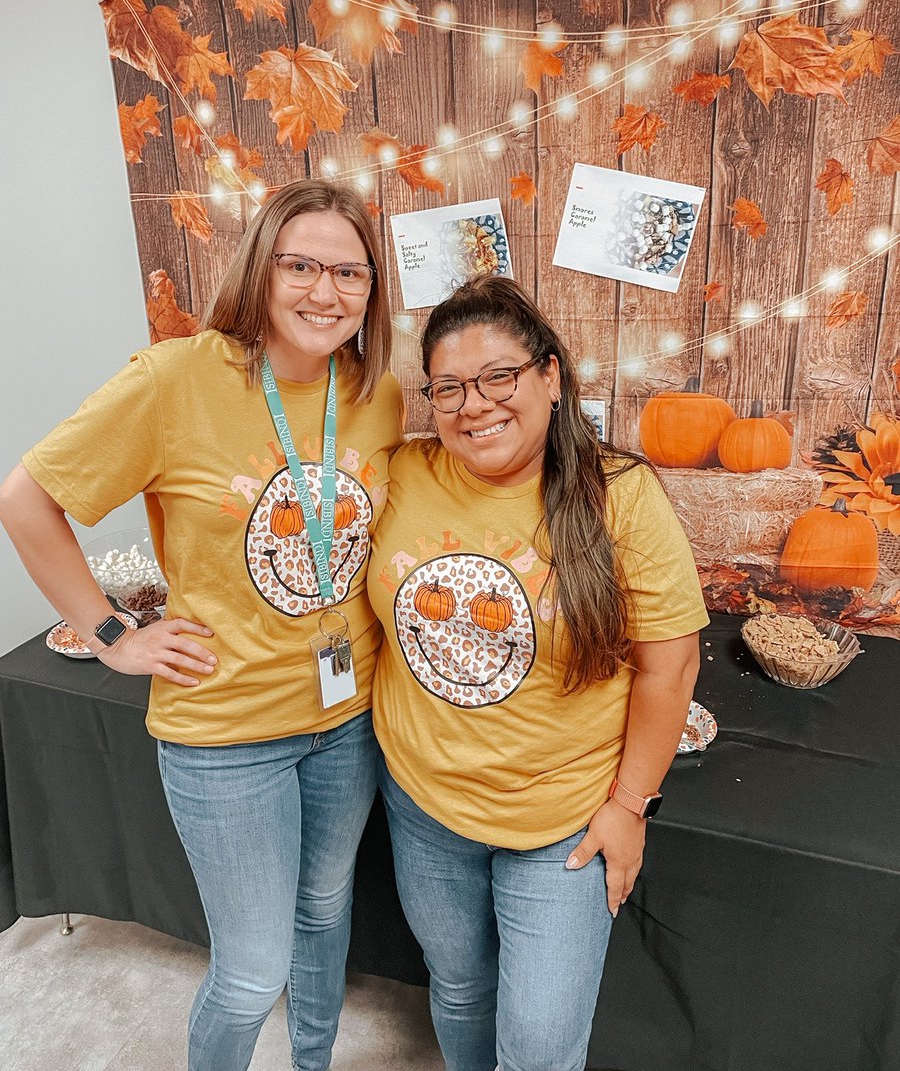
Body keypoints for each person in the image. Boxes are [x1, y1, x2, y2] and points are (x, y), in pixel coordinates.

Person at [0, 179, 404, 1071]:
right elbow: (26, 500)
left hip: (348, 719)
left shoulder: (376, 392)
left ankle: (311, 1062)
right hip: (227, 734)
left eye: (351, 272)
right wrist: (114, 635)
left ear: (374, 291)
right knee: (254, 966)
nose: (325, 291)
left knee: (325, 914)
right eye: (301, 265)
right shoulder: (179, 376)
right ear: (262, 267)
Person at [368, 274, 709, 1071]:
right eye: (448, 387)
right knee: (456, 989)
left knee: (540, 1046)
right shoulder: (405, 473)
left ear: (551, 378)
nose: (474, 404)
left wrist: (631, 807)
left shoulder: (618, 495)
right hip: (423, 805)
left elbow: (672, 664)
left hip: (562, 825)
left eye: (499, 376)